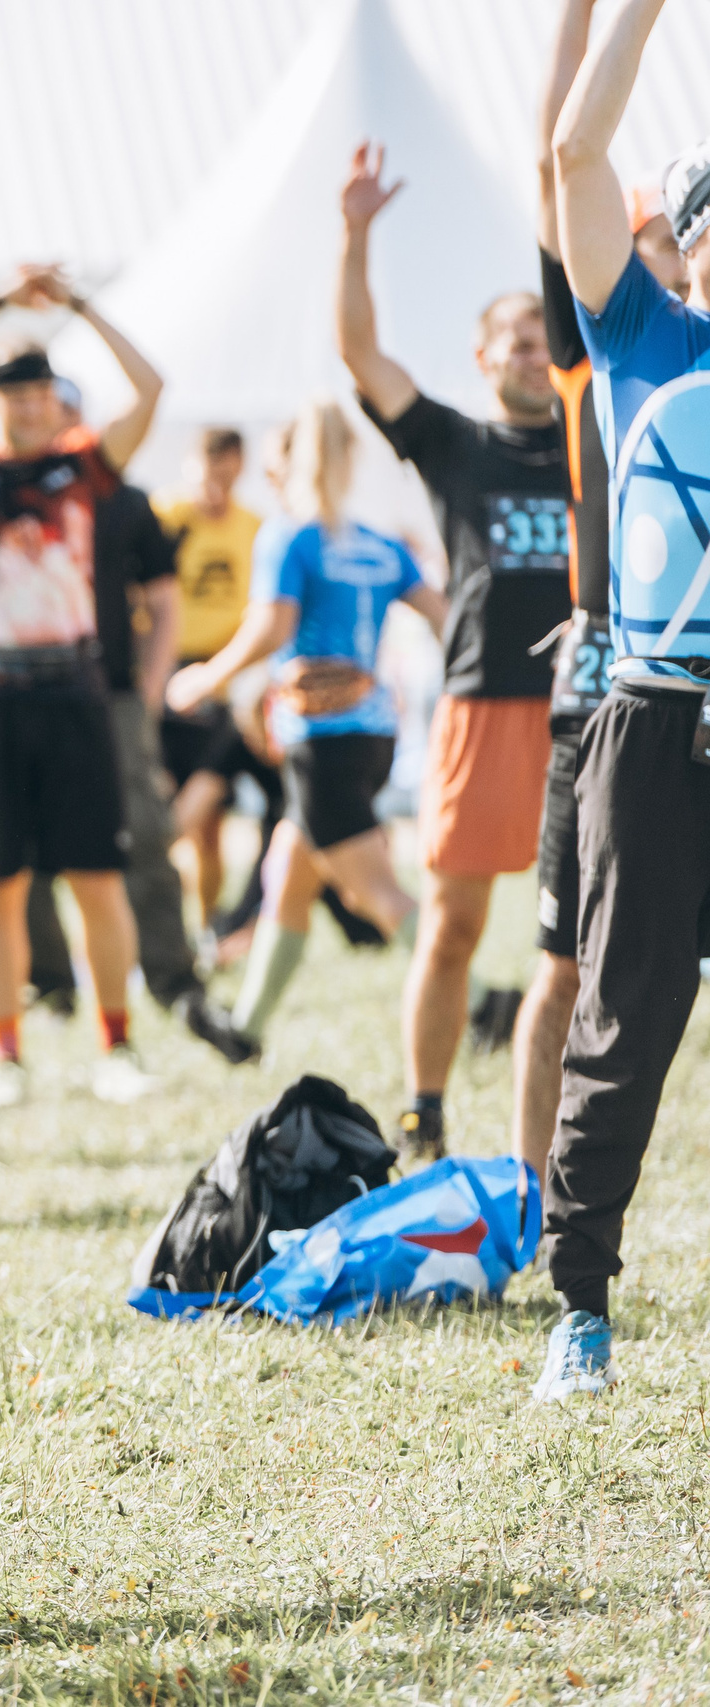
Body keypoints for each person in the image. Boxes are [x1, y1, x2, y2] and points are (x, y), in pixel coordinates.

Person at [338, 140, 574, 1163]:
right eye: (512, 339)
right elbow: (360, 354)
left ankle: (566, 1128)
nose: (530, 351)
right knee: (452, 926)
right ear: (482, 359)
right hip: (485, 705)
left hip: (586, 706)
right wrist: (353, 235)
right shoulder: (453, 444)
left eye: (541, 337)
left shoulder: (595, 439)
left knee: (580, 943)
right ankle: (424, 1111)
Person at [539, 0, 710, 1399]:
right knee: (623, 1017)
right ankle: (578, 1309)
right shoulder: (642, 334)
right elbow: (573, 153)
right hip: (653, 719)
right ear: (690, 242)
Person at [0, 265, 163, 1113]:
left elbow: (151, 386)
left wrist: (79, 304)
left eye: (42, 390)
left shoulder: (85, 468)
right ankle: (2, 1058)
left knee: (97, 878)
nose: (31, 405)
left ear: (57, 398)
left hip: (74, 691)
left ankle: (116, 1046)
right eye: (14, 391)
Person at [511, 0, 686, 1184]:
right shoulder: (603, 337)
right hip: (610, 688)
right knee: (568, 967)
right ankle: (537, 1199)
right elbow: (559, 155)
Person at [167, 400, 446, 1053]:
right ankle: (244, 1030)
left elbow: (273, 627)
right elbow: (447, 617)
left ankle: (485, 1002)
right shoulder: (382, 546)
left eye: (270, 467)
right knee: (286, 876)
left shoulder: (287, 537)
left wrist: (204, 678)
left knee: (376, 892)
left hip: (321, 742)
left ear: (290, 466)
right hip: (374, 736)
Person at [21, 390, 255, 1064]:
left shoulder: (122, 500)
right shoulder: (6, 496)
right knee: (30, 850)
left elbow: (161, 600)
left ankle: (175, 980)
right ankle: (52, 984)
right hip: (27, 697)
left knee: (148, 838)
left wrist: (148, 691)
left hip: (112, 699)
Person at [153, 427, 268, 933]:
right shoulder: (165, 518)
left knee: (208, 825)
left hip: (223, 679)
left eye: (228, 475)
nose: (218, 489)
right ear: (190, 467)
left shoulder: (253, 527)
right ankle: (161, 913)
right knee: (169, 808)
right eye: (210, 476)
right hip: (167, 674)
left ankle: (203, 927)